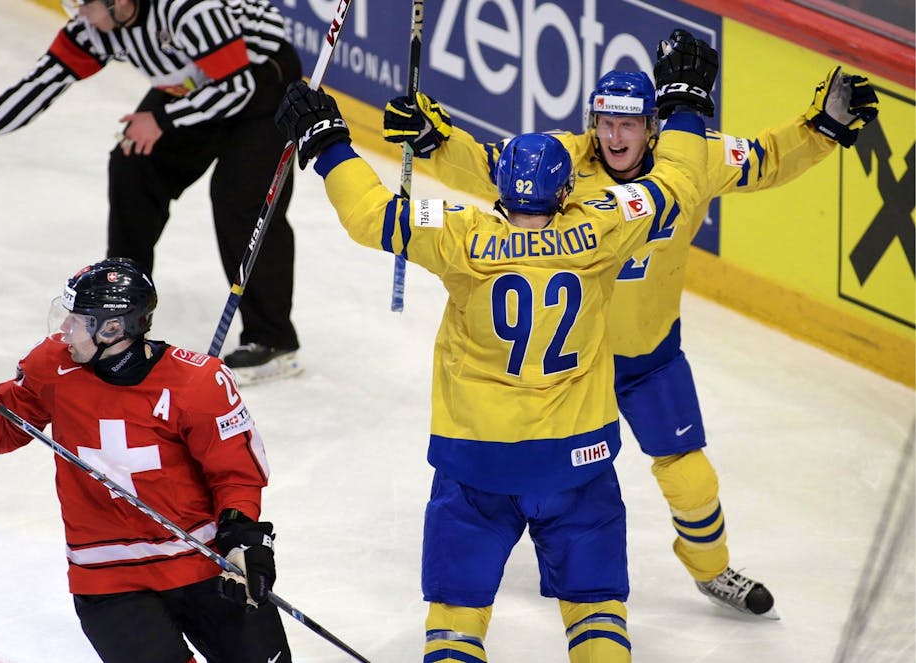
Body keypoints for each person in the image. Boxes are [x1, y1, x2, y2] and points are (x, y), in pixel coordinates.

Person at [382, 32, 880, 619]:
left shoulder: (693, 157)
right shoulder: (563, 163)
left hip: (649, 356)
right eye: (604, 124)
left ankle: (712, 570)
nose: (614, 138)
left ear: (652, 125)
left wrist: (821, 127)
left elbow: (768, 159)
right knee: (565, 489)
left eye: (628, 125)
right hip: (571, 373)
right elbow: (489, 166)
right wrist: (435, 140)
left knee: (691, 477)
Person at [275, 29, 716, 662]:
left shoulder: (461, 234)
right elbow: (676, 180)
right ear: (568, 192)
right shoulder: (603, 227)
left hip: (475, 461)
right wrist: (684, 104)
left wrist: (327, 143)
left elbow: (369, 215)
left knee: (456, 620)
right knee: (595, 610)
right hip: (577, 460)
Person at [0, 0, 303, 383]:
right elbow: (39, 84)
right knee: (132, 165)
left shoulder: (188, 10)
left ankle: (272, 341)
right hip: (194, 85)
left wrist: (162, 119)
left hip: (259, 89)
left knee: (241, 201)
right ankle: (120, 317)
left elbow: (237, 87)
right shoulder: (96, 23)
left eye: (84, 6)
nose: (79, 17)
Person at [0, 258, 291, 663]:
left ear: (114, 328)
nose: (64, 330)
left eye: (77, 320)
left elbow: (236, 473)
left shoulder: (198, 383)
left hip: (204, 563)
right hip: (108, 578)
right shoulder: (53, 367)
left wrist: (243, 537)